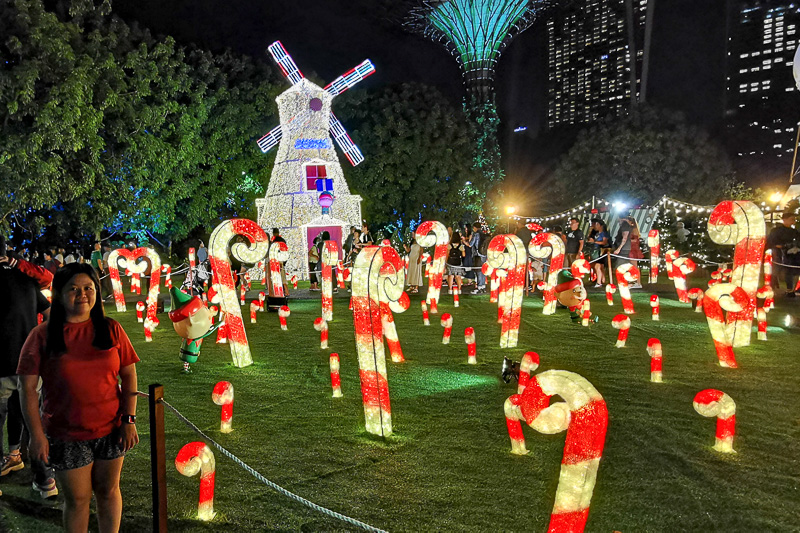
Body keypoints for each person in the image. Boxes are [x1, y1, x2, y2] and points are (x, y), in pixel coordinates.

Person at [19, 263, 139, 532]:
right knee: (78, 501)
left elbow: (129, 375)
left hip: (111, 430)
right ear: (59, 294)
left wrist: (129, 419)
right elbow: (26, 388)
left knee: (109, 492)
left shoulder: (111, 329)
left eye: (88, 288)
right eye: (73, 289)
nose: (82, 294)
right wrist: (37, 436)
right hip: (66, 434)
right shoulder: (42, 335)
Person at [0, 236, 56, 498]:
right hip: (29, 364)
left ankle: (12, 457)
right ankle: (44, 479)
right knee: (33, 419)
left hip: (0, 364)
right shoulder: (25, 279)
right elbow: (48, 314)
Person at [766, 210, 800, 297]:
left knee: (793, 272)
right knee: (776, 271)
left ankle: (791, 290)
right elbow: (773, 242)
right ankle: (774, 288)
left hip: (792, 255)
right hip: (779, 254)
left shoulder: (795, 231)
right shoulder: (776, 230)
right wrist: (781, 246)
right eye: (791, 219)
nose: (793, 221)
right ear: (784, 219)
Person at [586, 219, 610, 287]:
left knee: (598, 266)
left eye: (596, 224)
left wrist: (594, 242)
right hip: (595, 250)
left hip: (600, 251)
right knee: (597, 266)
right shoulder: (596, 233)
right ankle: (602, 280)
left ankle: (599, 282)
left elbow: (604, 242)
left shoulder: (604, 233)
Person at [470, 222, 486, 293]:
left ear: (475, 227)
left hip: (477, 255)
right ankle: (483, 286)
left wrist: (464, 241)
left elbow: (471, 244)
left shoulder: (476, 234)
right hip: (484, 255)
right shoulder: (484, 235)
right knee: (483, 271)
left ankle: (479, 288)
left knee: (478, 271)